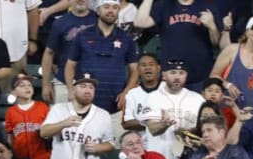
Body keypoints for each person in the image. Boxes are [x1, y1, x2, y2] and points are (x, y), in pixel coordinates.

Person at [39, 72, 115, 159]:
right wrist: (64, 123)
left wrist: (98, 147)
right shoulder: (59, 110)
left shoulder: (102, 115)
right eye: (83, 86)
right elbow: (44, 132)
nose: (88, 90)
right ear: (73, 90)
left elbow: (111, 144)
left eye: (91, 87)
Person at [65, 0, 138, 137]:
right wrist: (70, 90)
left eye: (115, 8)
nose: (111, 11)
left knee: (116, 149)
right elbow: (70, 65)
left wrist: (127, 92)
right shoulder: (82, 35)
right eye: (107, 7)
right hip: (85, 106)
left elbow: (135, 70)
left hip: (115, 108)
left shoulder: (126, 38)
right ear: (98, 11)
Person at [134, 0, 222, 92]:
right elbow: (140, 22)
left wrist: (212, 26)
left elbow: (216, 43)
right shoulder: (163, 5)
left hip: (200, 75)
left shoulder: (207, 6)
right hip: (170, 74)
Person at [142, 59, 205, 159]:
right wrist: (164, 125)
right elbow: (153, 129)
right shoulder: (153, 97)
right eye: (173, 72)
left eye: (181, 73)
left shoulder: (197, 99)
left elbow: (205, 129)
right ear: (164, 75)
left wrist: (189, 133)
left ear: (186, 76)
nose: (177, 77)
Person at [211, 16, 253, 112]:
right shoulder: (232, 50)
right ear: (247, 31)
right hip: (227, 110)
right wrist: (228, 85)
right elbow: (213, 75)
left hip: (251, 112)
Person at [41, 0, 98, 105]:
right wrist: (46, 84)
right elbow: (49, 53)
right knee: (61, 119)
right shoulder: (60, 23)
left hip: (93, 83)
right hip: (64, 83)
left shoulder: (99, 19)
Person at [5, 73, 51, 159]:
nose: (27, 87)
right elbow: (10, 137)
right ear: (13, 92)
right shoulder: (11, 112)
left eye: (29, 85)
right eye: (21, 86)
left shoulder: (43, 107)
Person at [122, 52, 162, 131]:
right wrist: (149, 123)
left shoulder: (168, 90)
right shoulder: (132, 94)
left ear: (158, 68)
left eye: (151, 64)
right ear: (138, 70)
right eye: (143, 65)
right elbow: (127, 123)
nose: (147, 68)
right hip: (141, 141)